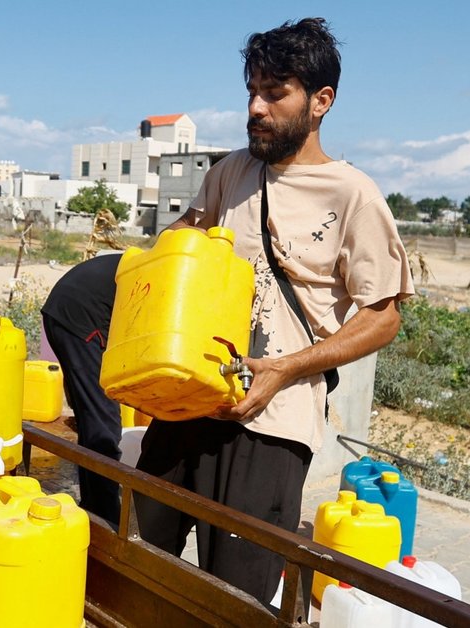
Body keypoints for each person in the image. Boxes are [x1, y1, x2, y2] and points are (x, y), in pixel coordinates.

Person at [133, 17, 415, 603]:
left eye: (275, 92)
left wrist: (286, 368)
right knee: (137, 568)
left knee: (236, 599)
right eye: (251, 92)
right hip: (187, 401)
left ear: (321, 101)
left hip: (272, 426)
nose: (256, 107)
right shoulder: (231, 172)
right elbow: (180, 256)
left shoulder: (353, 195)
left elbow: (382, 315)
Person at [40, 252, 123, 525]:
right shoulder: (174, 277)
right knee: (103, 416)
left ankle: (94, 501)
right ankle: (105, 513)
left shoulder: (164, 265)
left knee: (91, 413)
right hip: (82, 314)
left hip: (63, 308)